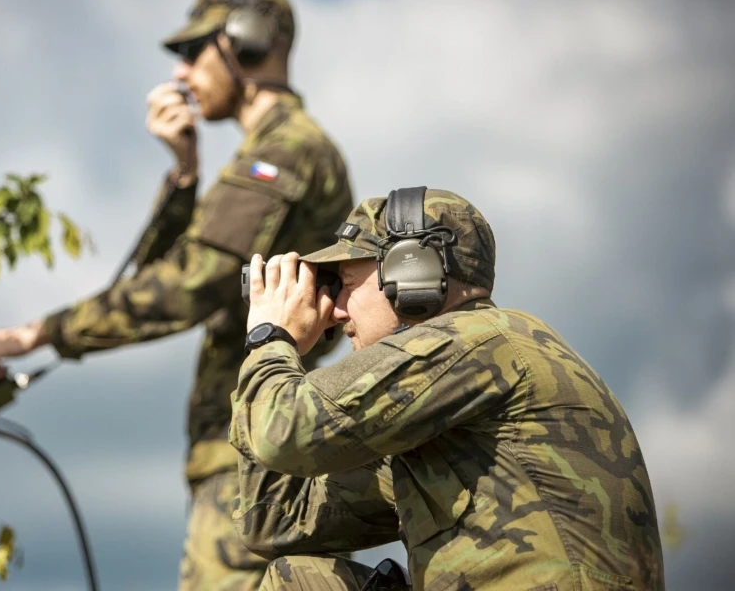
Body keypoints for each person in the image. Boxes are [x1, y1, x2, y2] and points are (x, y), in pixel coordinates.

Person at [0, 0, 355, 590]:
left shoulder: (287, 151)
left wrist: (35, 335)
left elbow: (187, 286)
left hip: (256, 455)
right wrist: (184, 175)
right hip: (244, 452)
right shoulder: (264, 155)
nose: (181, 73)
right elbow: (175, 272)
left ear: (248, 46)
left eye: (197, 51)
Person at [231, 187, 665, 590]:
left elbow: (282, 432)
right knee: (299, 579)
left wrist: (271, 338)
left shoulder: (479, 340)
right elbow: (274, 521)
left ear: (410, 270)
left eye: (345, 284)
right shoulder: (442, 404)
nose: (338, 311)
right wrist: (281, 351)